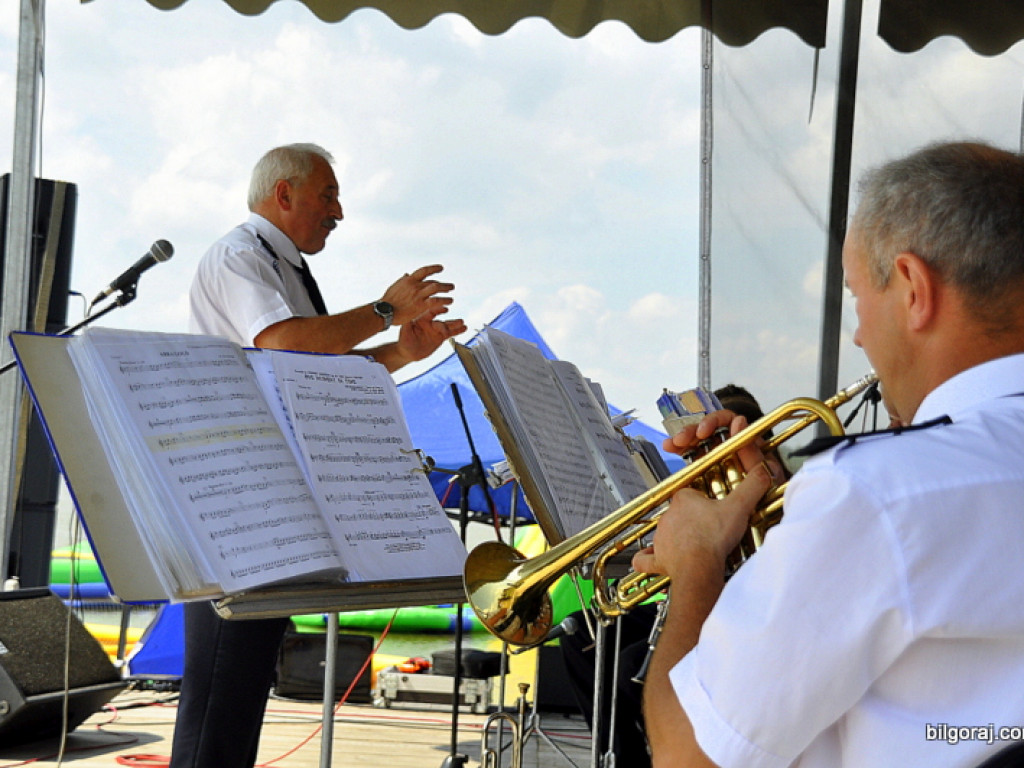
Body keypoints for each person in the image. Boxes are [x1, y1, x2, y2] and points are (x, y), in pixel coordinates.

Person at [635, 140, 1024, 767]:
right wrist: (778, 513)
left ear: (913, 287)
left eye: (857, 297)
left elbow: (689, 755)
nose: (861, 335)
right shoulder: (891, 489)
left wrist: (699, 563)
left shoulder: (879, 493)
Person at [170, 142, 466, 768]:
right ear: (285, 194)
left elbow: (310, 366)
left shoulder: (285, 268)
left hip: (274, 504)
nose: (339, 212)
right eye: (328, 195)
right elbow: (282, 339)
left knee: (242, 693)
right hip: (239, 506)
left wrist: (404, 352)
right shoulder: (238, 255)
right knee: (220, 698)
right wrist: (386, 310)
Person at [560, 385, 773, 768]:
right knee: (582, 632)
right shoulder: (705, 488)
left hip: (733, 607)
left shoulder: (779, 490)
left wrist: (694, 557)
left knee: (631, 665)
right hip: (693, 596)